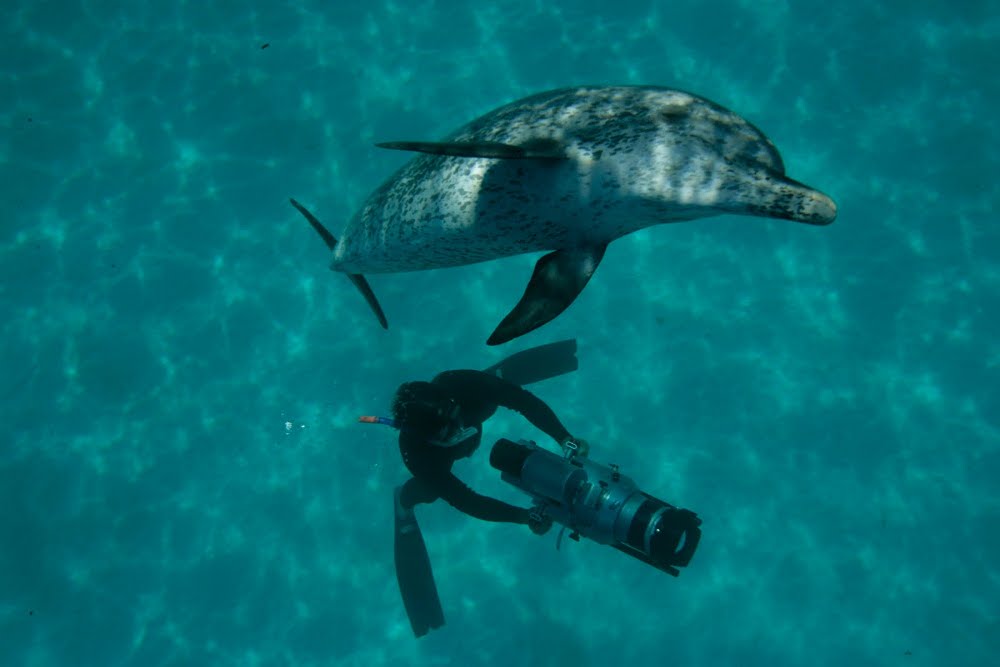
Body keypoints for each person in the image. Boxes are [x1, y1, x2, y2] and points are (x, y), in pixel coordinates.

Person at [359, 339, 586, 638]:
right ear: (429, 440)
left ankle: (494, 381)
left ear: (449, 402)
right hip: (440, 460)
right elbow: (468, 501)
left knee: (493, 392)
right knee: (431, 489)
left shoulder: (457, 385)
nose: (459, 431)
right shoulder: (419, 455)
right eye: (448, 433)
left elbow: (523, 401)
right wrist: (523, 516)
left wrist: (565, 438)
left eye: (455, 419)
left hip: (470, 395)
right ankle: (404, 500)